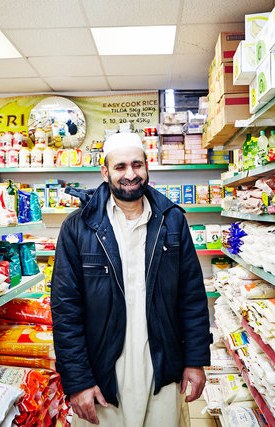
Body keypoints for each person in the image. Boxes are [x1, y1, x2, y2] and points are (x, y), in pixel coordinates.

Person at [50, 132, 211, 426]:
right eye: (120, 166)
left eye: (137, 165)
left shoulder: (171, 220)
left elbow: (192, 297)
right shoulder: (78, 227)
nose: (130, 174)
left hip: (161, 367)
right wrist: (78, 381)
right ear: (105, 171)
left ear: (147, 167)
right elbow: (65, 311)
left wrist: (195, 360)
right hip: (103, 374)